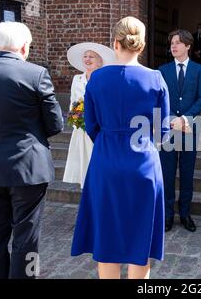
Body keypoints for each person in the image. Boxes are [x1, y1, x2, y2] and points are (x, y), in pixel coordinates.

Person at [70, 16, 170, 279]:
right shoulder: (156, 78)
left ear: (115, 43)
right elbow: (162, 131)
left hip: (106, 161)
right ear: (142, 45)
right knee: (141, 237)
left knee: (107, 239)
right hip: (143, 164)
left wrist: (109, 140)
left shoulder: (98, 79)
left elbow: (91, 125)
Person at [0, 22, 63, 279]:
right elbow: (55, 124)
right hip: (27, 168)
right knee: (26, 237)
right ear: (23, 46)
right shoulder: (36, 74)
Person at [158, 29, 201, 233]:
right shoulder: (162, 69)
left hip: (189, 129)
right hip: (168, 129)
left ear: (188, 46)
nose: (173, 46)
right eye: (171, 43)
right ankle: (167, 214)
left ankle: (185, 214)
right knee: (167, 174)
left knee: (187, 174)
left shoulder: (198, 70)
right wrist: (171, 119)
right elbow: (159, 97)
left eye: (178, 43)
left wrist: (185, 118)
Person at [63, 42, 115, 188]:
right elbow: (73, 104)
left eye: (91, 56)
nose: (87, 59)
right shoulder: (77, 79)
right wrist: (77, 120)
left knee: (99, 170)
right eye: (85, 56)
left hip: (99, 131)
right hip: (81, 132)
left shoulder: (106, 79)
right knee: (84, 171)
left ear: (100, 61)